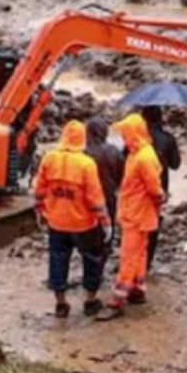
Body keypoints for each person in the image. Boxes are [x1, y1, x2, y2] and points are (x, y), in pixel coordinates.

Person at [36, 121, 111, 319]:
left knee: (58, 259)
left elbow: (39, 189)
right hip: (84, 224)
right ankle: (90, 300)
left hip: (57, 222)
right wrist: (105, 222)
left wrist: (41, 211)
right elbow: (95, 198)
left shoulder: (49, 158)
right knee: (92, 259)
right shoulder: (86, 164)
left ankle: (61, 303)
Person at [98, 113, 165, 320]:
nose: (123, 138)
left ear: (134, 134)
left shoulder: (143, 157)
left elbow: (155, 190)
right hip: (136, 212)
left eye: (125, 134)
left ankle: (117, 300)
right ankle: (137, 289)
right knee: (139, 253)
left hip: (137, 214)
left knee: (128, 256)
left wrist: (159, 199)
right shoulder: (139, 153)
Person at [140, 106, 181, 269]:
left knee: (136, 224)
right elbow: (175, 164)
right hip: (159, 189)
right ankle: (147, 261)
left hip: (137, 188)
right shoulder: (167, 138)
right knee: (153, 223)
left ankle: (136, 258)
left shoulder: (136, 138)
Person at [85, 117, 126, 231]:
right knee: (108, 229)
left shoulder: (81, 152)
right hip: (108, 195)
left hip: (85, 198)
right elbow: (122, 177)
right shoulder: (114, 151)